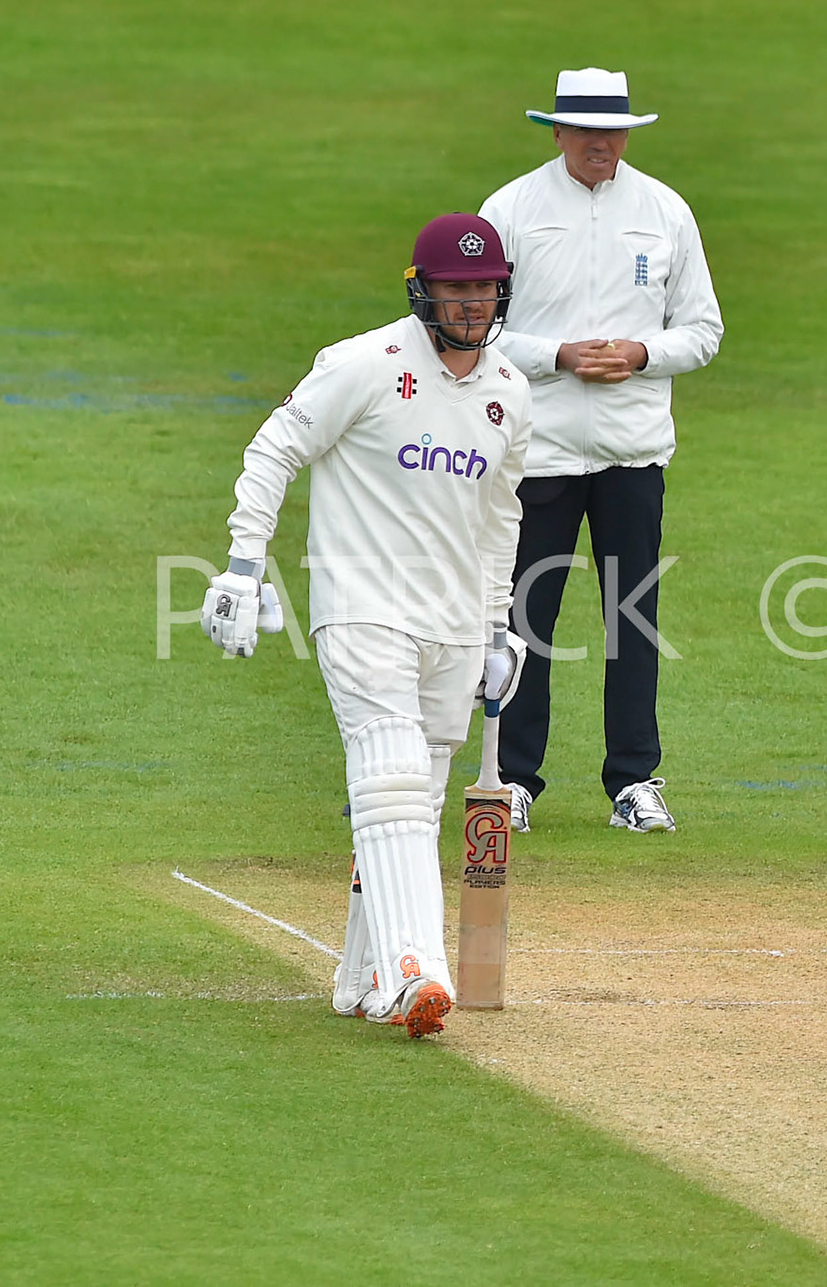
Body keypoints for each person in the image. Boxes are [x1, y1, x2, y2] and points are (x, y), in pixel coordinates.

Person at [202, 214, 532, 1037]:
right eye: (456, 288)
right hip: (363, 608)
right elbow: (275, 446)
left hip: (455, 624)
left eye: (484, 286)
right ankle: (413, 970)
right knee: (387, 779)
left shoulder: (509, 393)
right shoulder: (366, 365)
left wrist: (498, 626)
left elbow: (501, 519)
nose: (471, 302)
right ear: (423, 290)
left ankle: (358, 977)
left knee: (413, 801)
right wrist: (244, 565)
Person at [479, 67, 724, 836]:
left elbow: (704, 330)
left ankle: (634, 782)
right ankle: (513, 778)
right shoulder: (513, 208)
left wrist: (642, 355)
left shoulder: (665, 211)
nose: (600, 144)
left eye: (612, 131)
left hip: (632, 451)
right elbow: (476, 329)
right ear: (557, 133)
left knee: (634, 619)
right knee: (526, 620)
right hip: (539, 449)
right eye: (585, 131)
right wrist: (560, 355)